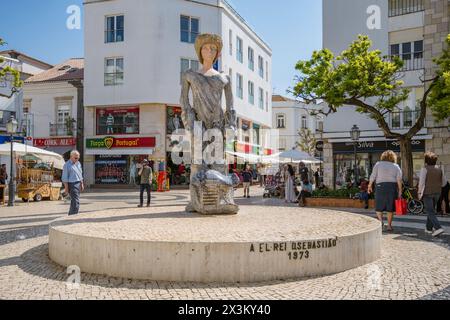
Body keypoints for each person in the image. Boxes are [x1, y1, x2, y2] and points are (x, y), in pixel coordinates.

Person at [368, 150, 402, 232]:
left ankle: (381, 221)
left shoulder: (378, 164)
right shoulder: (396, 166)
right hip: (392, 187)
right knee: (390, 208)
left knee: (379, 206)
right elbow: (399, 179)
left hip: (380, 186)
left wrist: (369, 185)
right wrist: (400, 190)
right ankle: (389, 226)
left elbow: (373, 175)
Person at [418, 152, 447, 237]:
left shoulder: (425, 169)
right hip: (437, 192)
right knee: (431, 211)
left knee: (430, 211)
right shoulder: (439, 169)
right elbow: (444, 183)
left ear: (426, 160)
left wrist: (419, 192)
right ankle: (428, 228)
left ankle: (438, 228)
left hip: (427, 193)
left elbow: (421, 182)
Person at [62, 150, 84, 215]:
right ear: (71, 156)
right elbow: (64, 178)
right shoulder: (67, 165)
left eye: (78, 158)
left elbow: (80, 174)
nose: (77, 159)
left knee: (74, 201)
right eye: (75, 158)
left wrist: (81, 183)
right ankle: (74, 214)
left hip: (78, 183)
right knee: (76, 201)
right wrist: (66, 188)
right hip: (72, 184)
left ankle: (71, 214)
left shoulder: (78, 163)